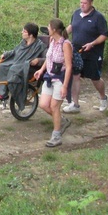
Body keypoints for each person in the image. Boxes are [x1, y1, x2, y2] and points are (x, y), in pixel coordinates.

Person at [64, 0, 108, 113]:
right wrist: (61, 35)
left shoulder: (98, 17)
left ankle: (103, 97)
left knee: (95, 78)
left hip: (93, 53)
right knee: (75, 76)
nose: (82, 5)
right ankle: (75, 104)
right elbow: (71, 26)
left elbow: (104, 35)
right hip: (76, 51)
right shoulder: (76, 13)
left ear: (91, 3)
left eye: (85, 3)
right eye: (81, 2)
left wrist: (92, 43)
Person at [34, 19, 73, 147]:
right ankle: (61, 121)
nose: (48, 29)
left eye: (49, 27)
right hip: (49, 77)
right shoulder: (52, 41)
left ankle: (56, 136)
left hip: (60, 79)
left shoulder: (65, 44)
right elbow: (49, 58)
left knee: (55, 106)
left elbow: (68, 66)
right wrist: (41, 69)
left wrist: (65, 86)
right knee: (44, 104)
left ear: (55, 30)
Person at [0, 23, 47, 100]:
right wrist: (6, 54)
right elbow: (15, 51)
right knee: (2, 66)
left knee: (13, 68)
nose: (22, 32)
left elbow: (47, 59)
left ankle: (3, 93)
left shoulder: (40, 46)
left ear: (30, 35)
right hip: (17, 62)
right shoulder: (23, 42)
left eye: (24, 31)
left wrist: (38, 60)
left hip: (28, 67)